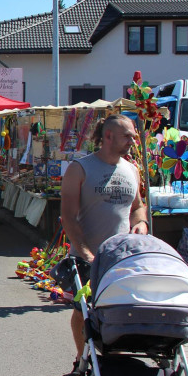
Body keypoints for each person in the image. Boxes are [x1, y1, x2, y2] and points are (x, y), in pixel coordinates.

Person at [61, 114, 148, 360]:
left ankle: (112, 359)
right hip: (86, 256)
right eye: (127, 136)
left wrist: (140, 222)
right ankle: (82, 357)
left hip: (120, 258)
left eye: (133, 135)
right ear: (108, 136)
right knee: (83, 312)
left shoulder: (131, 169)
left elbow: (138, 206)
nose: (133, 140)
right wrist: (85, 252)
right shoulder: (80, 168)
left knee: (118, 310)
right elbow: (68, 215)